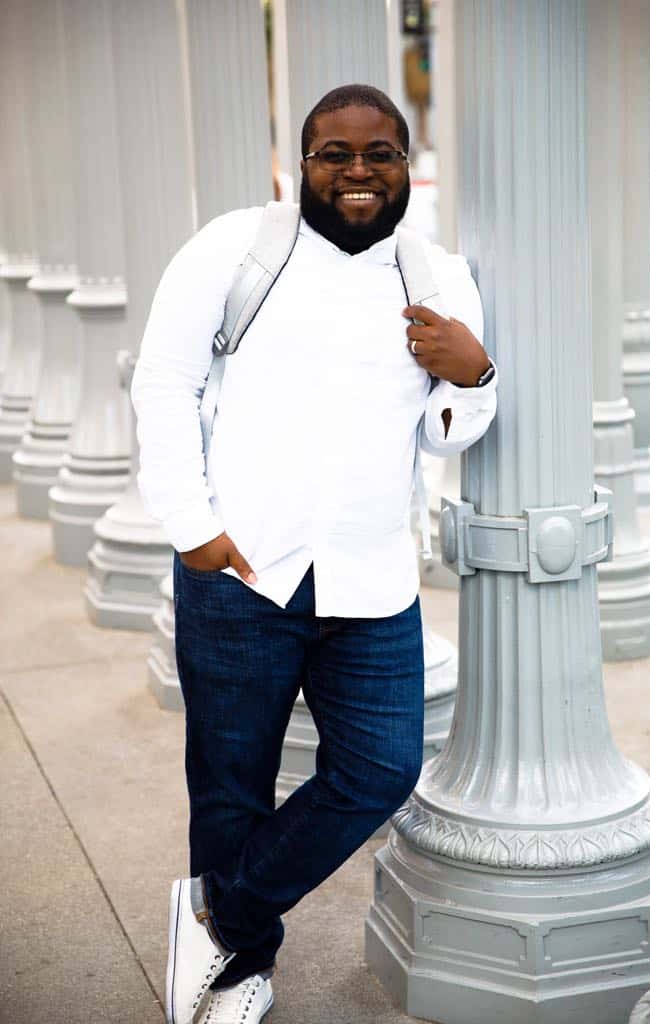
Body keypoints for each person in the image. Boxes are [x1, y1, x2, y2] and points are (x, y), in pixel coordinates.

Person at [131, 84, 497, 1024]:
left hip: (371, 581)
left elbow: (445, 433)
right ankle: (245, 968)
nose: (358, 173)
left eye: (379, 154)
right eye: (335, 154)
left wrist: (473, 373)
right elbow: (164, 383)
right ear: (301, 165)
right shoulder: (234, 248)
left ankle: (220, 910)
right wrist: (192, 527)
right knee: (229, 783)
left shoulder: (436, 276)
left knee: (378, 770)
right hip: (243, 569)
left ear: (406, 164)